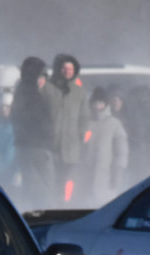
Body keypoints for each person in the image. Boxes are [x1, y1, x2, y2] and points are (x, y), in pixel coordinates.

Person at [11, 56, 56, 208]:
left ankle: (36, 212)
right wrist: (49, 137)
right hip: (37, 147)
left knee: (34, 185)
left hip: (30, 146)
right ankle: (43, 216)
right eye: (40, 75)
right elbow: (39, 120)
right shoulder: (30, 94)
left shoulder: (23, 91)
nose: (42, 79)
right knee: (42, 187)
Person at [45, 53, 90, 204]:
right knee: (50, 178)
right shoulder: (48, 88)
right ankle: (49, 204)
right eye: (64, 68)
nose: (67, 71)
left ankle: (65, 204)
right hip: (50, 144)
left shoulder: (79, 92)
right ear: (58, 69)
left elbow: (85, 116)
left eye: (70, 69)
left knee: (68, 180)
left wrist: (83, 133)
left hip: (71, 146)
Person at [81, 86, 129, 206]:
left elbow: (121, 152)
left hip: (105, 176)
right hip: (84, 175)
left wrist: (117, 173)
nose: (97, 107)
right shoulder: (85, 122)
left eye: (101, 103)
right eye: (95, 103)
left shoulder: (114, 124)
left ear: (106, 104)